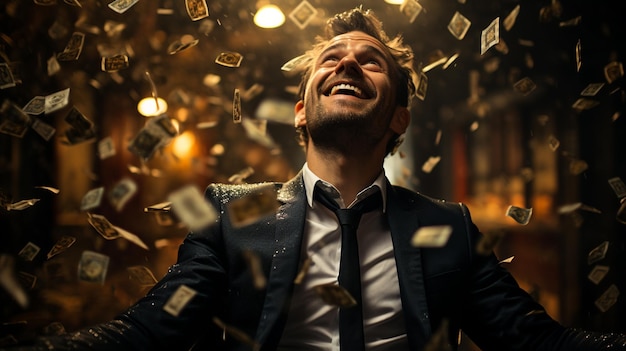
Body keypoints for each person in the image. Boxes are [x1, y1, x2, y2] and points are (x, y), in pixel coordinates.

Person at [9, 7, 626, 351]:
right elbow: (149, 331)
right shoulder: (231, 216)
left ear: (400, 117)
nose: (349, 62)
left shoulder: (449, 229)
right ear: (301, 110)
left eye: (372, 61)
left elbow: (536, 345)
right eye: (331, 59)